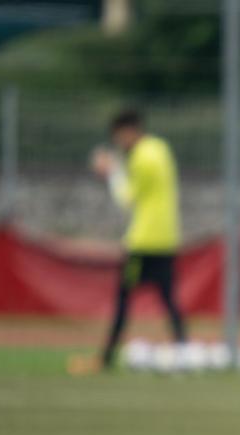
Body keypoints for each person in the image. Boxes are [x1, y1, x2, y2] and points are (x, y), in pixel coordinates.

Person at [90, 108, 186, 370]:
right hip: (167, 238)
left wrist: (111, 171)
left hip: (143, 241)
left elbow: (127, 198)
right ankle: (183, 352)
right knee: (169, 300)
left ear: (128, 131)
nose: (119, 143)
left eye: (119, 137)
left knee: (123, 299)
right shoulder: (160, 148)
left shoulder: (141, 158)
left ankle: (106, 357)